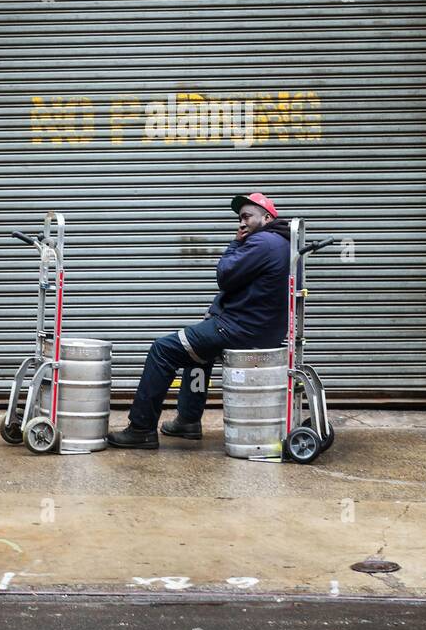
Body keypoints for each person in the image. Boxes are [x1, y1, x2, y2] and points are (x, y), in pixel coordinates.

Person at [108, 192, 290, 450]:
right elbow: (246, 288)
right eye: (240, 218)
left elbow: (225, 275)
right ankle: (188, 421)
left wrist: (235, 244)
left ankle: (141, 428)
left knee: (163, 350)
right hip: (259, 329)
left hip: (239, 330)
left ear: (267, 217)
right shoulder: (283, 243)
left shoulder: (262, 242)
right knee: (198, 354)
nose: (241, 223)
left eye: (247, 216)